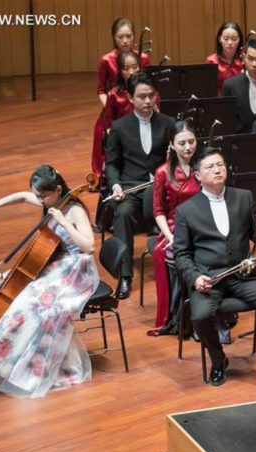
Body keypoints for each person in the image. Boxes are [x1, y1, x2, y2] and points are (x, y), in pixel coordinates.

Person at [0, 166, 99, 398]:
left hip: (76, 270)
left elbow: (89, 246)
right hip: (55, 264)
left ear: (58, 190)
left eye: (43, 196)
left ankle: (16, 363)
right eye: (38, 196)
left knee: (29, 304)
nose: (39, 201)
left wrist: (63, 222)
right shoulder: (50, 201)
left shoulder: (74, 210)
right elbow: (20, 196)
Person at [173, 147, 256, 389]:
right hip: (209, 279)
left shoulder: (243, 197)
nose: (217, 170)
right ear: (198, 176)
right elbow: (181, 254)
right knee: (201, 315)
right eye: (210, 167)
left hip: (243, 275)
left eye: (220, 165)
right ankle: (218, 360)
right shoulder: (186, 210)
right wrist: (195, 278)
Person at [105, 71, 176, 299]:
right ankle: (125, 275)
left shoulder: (168, 123)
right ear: (130, 98)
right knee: (123, 213)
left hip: (160, 186)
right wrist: (115, 185)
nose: (148, 101)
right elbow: (112, 164)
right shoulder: (119, 127)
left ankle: (174, 263)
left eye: (151, 96)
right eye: (142, 97)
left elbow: (178, 160)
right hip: (131, 186)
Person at [148, 121, 201, 336]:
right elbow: (158, 210)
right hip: (173, 228)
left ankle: (208, 318)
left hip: (201, 226)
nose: (188, 147)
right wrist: (169, 235)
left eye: (191, 141)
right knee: (169, 254)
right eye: (182, 143)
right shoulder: (162, 172)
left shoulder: (204, 166)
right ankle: (178, 318)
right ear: (171, 145)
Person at [92, 18, 150, 177]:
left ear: (133, 36)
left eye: (129, 36)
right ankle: (105, 172)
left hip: (139, 105)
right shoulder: (106, 59)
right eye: (120, 37)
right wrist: (111, 105)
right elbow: (101, 89)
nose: (125, 41)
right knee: (101, 132)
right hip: (114, 105)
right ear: (113, 37)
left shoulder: (143, 58)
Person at [91, 50, 141, 185]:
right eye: (126, 68)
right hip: (124, 138)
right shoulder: (113, 94)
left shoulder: (148, 91)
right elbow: (109, 126)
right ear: (120, 71)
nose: (131, 72)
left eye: (135, 67)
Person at [222, 37, 256, 133]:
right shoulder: (230, 85)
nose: (254, 64)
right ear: (243, 57)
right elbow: (226, 118)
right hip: (239, 141)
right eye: (250, 58)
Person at [205, 21, 244, 96]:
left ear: (239, 40)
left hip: (241, 99)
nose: (229, 43)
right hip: (220, 101)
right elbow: (208, 88)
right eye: (226, 39)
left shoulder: (245, 59)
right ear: (220, 39)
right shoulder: (211, 60)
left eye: (234, 39)